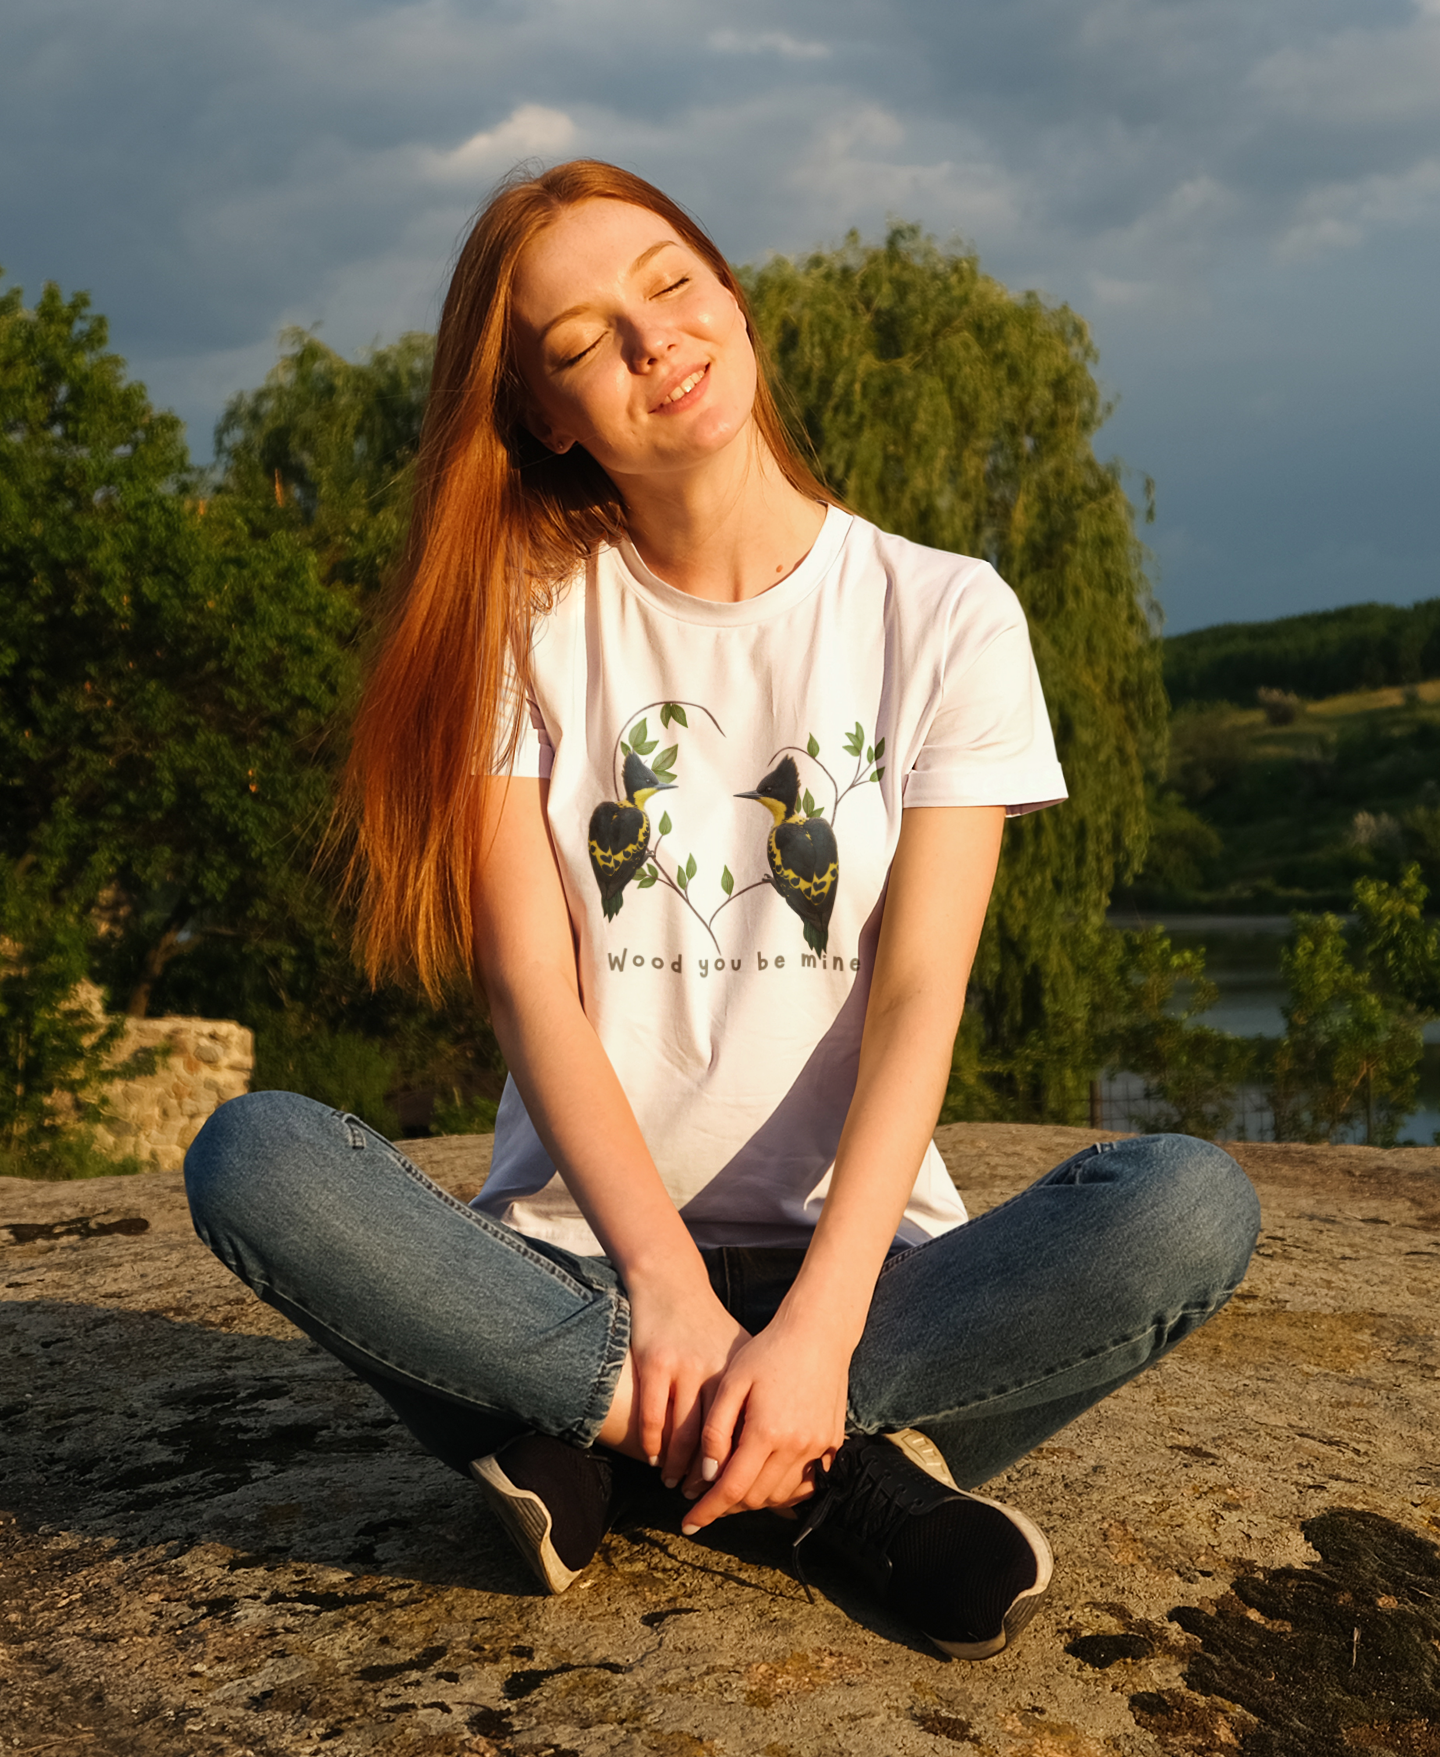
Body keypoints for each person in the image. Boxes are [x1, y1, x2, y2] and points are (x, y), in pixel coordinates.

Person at [184, 160, 1259, 1661]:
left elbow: (916, 995)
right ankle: (825, 1492)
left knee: (1189, 1206)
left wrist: (815, 1335)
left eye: (669, 281)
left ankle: (602, 1452)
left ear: (731, 293)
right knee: (256, 1157)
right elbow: (528, 982)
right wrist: (667, 1300)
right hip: (570, 1269)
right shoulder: (523, 615)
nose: (650, 341)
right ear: (548, 417)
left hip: (874, 1278)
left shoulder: (944, 614)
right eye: (578, 343)